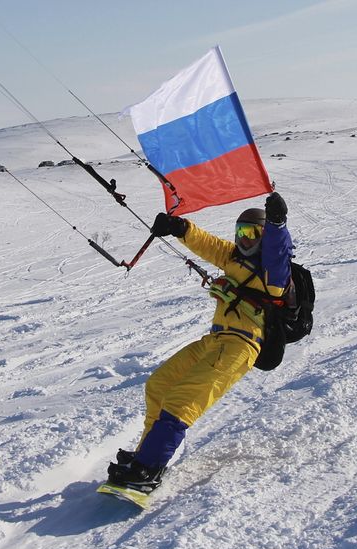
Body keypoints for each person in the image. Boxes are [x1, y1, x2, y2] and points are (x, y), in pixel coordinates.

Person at [107, 192, 293, 493]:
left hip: (241, 346)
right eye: (240, 233)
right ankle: (144, 454)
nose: (245, 240)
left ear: (263, 235)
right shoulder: (234, 258)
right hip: (216, 340)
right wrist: (179, 227)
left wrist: (277, 224)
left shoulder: (272, 273)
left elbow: (278, 251)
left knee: (182, 400)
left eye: (252, 233)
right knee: (159, 384)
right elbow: (208, 244)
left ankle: (149, 469)